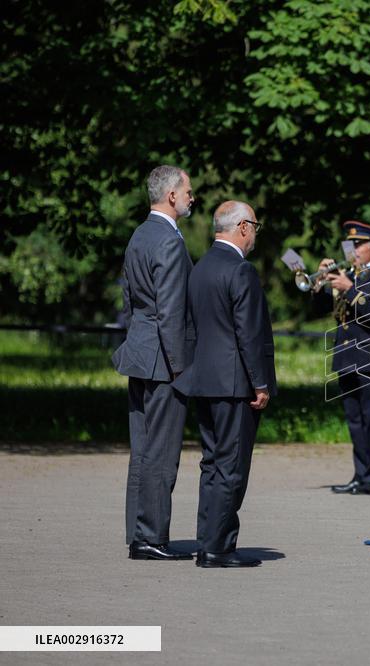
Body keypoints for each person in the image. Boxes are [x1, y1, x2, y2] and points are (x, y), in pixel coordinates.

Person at [173, 201, 275, 568]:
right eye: (255, 228)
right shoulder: (240, 270)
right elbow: (247, 334)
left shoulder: (200, 268)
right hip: (235, 384)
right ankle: (218, 548)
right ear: (243, 227)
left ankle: (208, 542)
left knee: (213, 464)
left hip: (206, 380)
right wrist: (260, 383)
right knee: (231, 467)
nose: (255, 236)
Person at [112, 165, 195, 561]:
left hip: (142, 351)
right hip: (164, 359)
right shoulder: (170, 241)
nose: (192, 197)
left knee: (142, 449)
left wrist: (139, 339)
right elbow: (172, 310)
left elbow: (130, 299)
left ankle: (138, 533)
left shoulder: (140, 234)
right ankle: (152, 537)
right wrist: (182, 367)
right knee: (162, 452)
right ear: (172, 196)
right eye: (188, 191)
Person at [321, 221, 370, 495]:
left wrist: (350, 289)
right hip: (346, 356)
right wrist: (323, 281)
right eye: (350, 244)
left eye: (357, 245)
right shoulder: (348, 273)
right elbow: (329, 313)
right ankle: (359, 474)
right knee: (354, 420)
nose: (351, 249)